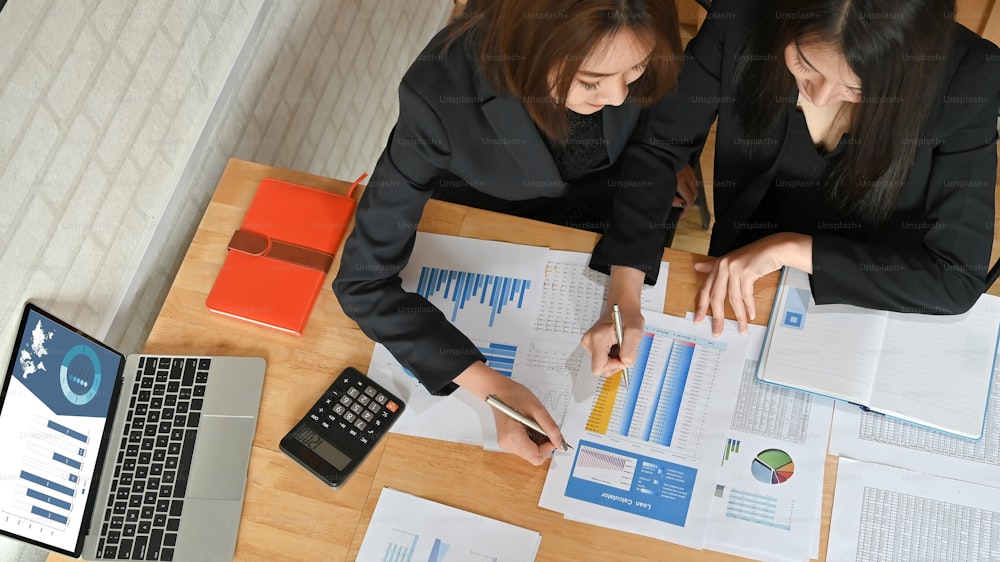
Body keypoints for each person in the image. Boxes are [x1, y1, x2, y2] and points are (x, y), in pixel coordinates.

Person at [333, 0, 683, 465]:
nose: (619, 97)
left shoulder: (635, 32)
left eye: (635, 69)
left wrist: (626, 290)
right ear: (532, 49)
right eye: (591, 82)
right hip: (498, 219)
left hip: (618, 217)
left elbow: (652, 143)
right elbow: (363, 283)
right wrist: (490, 387)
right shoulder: (440, 94)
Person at [585, 0, 1000, 372]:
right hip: (742, 273)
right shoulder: (745, 14)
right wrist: (624, 292)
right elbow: (659, 147)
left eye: (856, 88)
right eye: (804, 63)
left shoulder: (967, 77)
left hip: (875, 293)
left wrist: (789, 247)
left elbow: (956, 279)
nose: (820, 97)